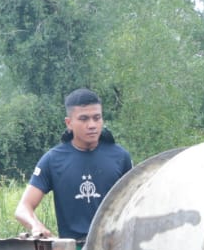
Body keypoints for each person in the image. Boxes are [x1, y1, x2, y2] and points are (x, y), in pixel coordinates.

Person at [14, 88, 133, 240]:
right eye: (84, 119)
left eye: (97, 118)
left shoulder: (120, 156)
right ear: (69, 123)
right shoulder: (52, 160)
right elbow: (23, 208)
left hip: (115, 246)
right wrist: (36, 225)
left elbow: (135, 203)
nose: (92, 125)